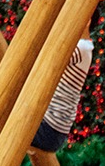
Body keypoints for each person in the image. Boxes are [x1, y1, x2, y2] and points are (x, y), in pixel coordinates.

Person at [31, 16, 94, 153]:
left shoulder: (81, 47)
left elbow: (49, 59)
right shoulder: (84, 48)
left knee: (1, 124)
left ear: (87, 20)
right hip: (53, 130)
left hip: (49, 128)